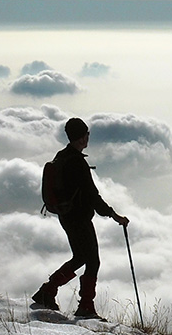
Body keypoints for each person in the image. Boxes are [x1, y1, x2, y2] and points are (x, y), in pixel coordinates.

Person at [31, 117, 129, 319]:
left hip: (66, 216)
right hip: (80, 218)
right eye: (87, 135)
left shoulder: (62, 156)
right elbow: (93, 196)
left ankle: (47, 291)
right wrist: (114, 215)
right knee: (92, 261)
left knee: (80, 257)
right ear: (83, 137)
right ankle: (85, 306)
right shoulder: (77, 163)